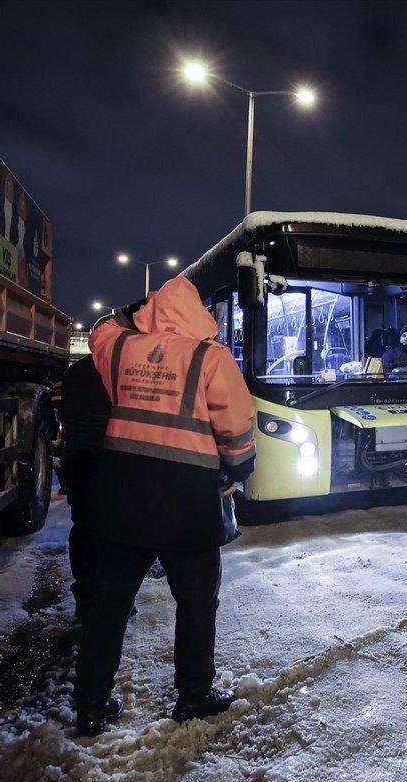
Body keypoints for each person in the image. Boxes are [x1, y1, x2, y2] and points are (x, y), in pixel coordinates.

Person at [74, 277, 257, 736]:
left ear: (151, 311)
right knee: (196, 603)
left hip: (123, 495)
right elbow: (235, 431)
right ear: (197, 313)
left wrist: (136, 310)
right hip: (189, 502)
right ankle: (193, 696)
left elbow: (100, 329)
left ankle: (91, 704)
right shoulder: (210, 357)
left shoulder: (120, 350)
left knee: (110, 601)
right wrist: (236, 471)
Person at [58, 354, 111, 624]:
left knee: (83, 529)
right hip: (108, 458)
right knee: (110, 532)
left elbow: (66, 415)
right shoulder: (120, 366)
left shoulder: (76, 370)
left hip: (77, 459)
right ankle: (107, 601)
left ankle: (86, 599)